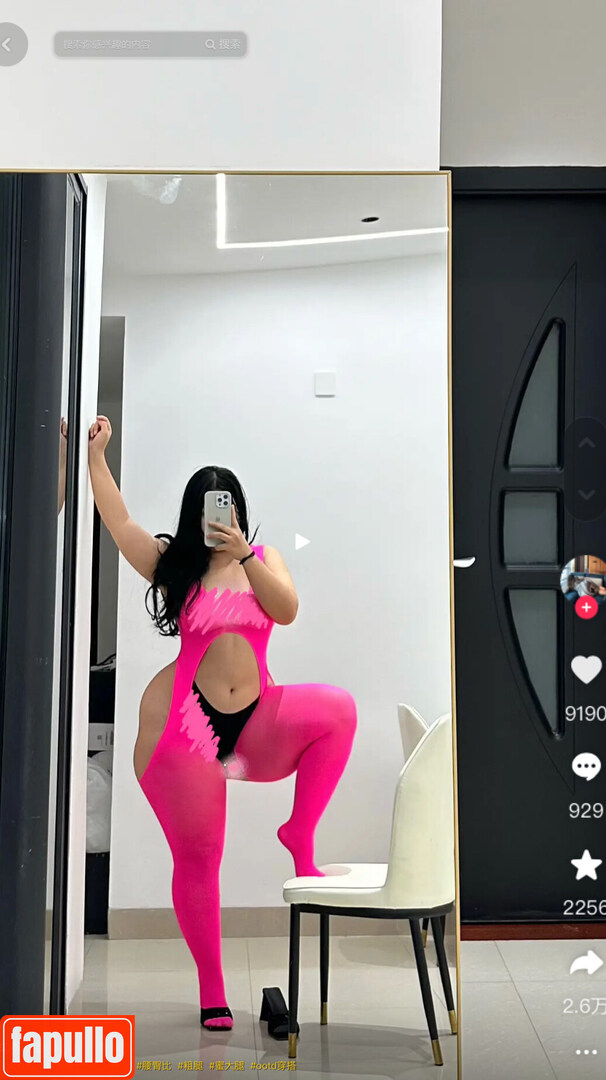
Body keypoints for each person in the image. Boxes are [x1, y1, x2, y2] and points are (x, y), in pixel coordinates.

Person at [87, 415, 357, 1031]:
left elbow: (286, 610)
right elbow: (120, 524)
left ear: (238, 510)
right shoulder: (174, 564)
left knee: (338, 710)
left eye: (228, 505)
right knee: (201, 856)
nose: (220, 515)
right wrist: (97, 456)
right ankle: (213, 991)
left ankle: (300, 834)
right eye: (211, 507)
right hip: (186, 725)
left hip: (256, 719)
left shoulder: (263, 558)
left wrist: (245, 556)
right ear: (195, 513)